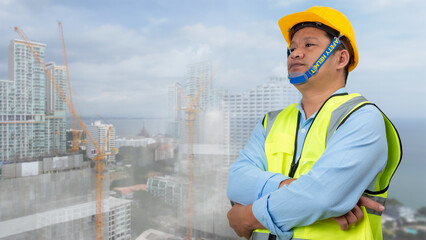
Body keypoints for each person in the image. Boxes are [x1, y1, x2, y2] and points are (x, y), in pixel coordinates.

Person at [226, 6, 402, 240]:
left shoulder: (361, 117)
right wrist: (297, 191)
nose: (295, 54)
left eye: (308, 45)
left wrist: (245, 217)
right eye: (292, 48)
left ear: (341, 58)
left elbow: (322, 197)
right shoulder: (271, 121)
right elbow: (236, 182)